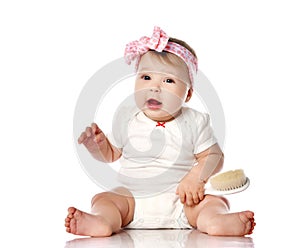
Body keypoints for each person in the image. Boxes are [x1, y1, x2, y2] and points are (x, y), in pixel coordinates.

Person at [65, 26, 255, 237]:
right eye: (146, 78)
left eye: (168, 81)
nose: (155, 87)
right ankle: (101, 221)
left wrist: (195, 178)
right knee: (105, 199)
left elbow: (215, 156)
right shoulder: (126, 117)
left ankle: (216, 222)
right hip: (132, 201)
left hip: (183, 201)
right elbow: (111, 154)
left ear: (188, 94)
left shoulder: (195, 121)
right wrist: (97, 145)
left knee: (212, 203)